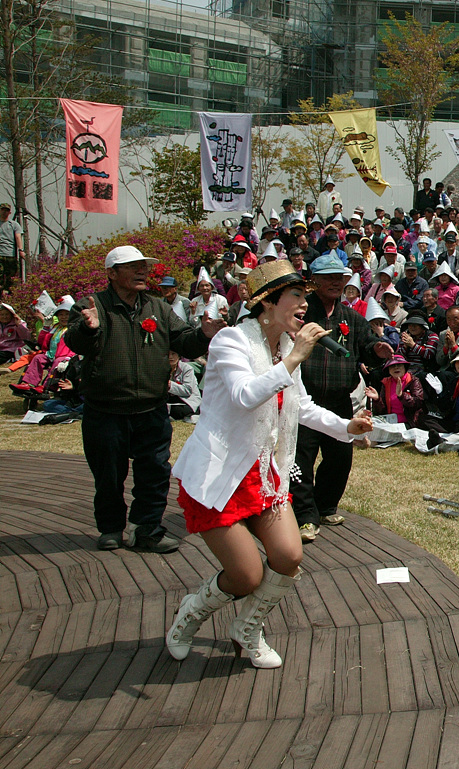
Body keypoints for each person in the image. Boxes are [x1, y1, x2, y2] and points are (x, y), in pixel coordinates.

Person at [164, 260, 373, 669]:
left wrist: (346, 425)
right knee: (245, 576)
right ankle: (189, 615)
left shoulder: (281, 350)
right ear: (266, 302)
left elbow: (301, 407)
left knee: (289, 555)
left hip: (264, 474)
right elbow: (245, 395)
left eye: (304, 298)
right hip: (221, 477)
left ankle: (247, 627)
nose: (303, 306)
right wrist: (295, 356)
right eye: (295, 297)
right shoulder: (230, 341)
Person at [64, 246, 223, 553]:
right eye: (132, 267)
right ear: (112, 273)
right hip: (105, 410)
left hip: (152, 408)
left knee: (154, 472)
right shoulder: (91, 305)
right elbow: (74, 343)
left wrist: (204, 334)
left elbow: (185, 345)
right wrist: (87, 328)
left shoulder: (159, 308)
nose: (142, 272)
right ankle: (111, 528)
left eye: (144, 267)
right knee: (109, 475)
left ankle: (147, 529)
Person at [290, 255, 392, 543]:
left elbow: (368, 346)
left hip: (339, 399)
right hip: (304, 400)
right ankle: (304, 516)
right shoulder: (300, 313)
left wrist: (378, 349)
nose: (336, 282)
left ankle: (325, 505)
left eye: (340, 277)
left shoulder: (351, 317)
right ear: (314, 281)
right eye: (329, 277)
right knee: (301, 459)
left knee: (339, 457)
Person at [167, 350, 202, 420]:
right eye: (168, 354)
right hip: (170, 400)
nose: (170, 357)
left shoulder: (187, 369)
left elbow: (187, 390)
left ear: (178, 356)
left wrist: (170, 385)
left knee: (178, 410)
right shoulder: (162, 368)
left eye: (173, 354)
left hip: (187, 400)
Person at [0, 202, 23, 291]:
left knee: (11, 277)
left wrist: (21, 250)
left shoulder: (14, 225)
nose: (4, 212)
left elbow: (18, 237)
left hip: (10, 255)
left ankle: (8, 295)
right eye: (2, 210)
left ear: (9, 212)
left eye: (6, 211)